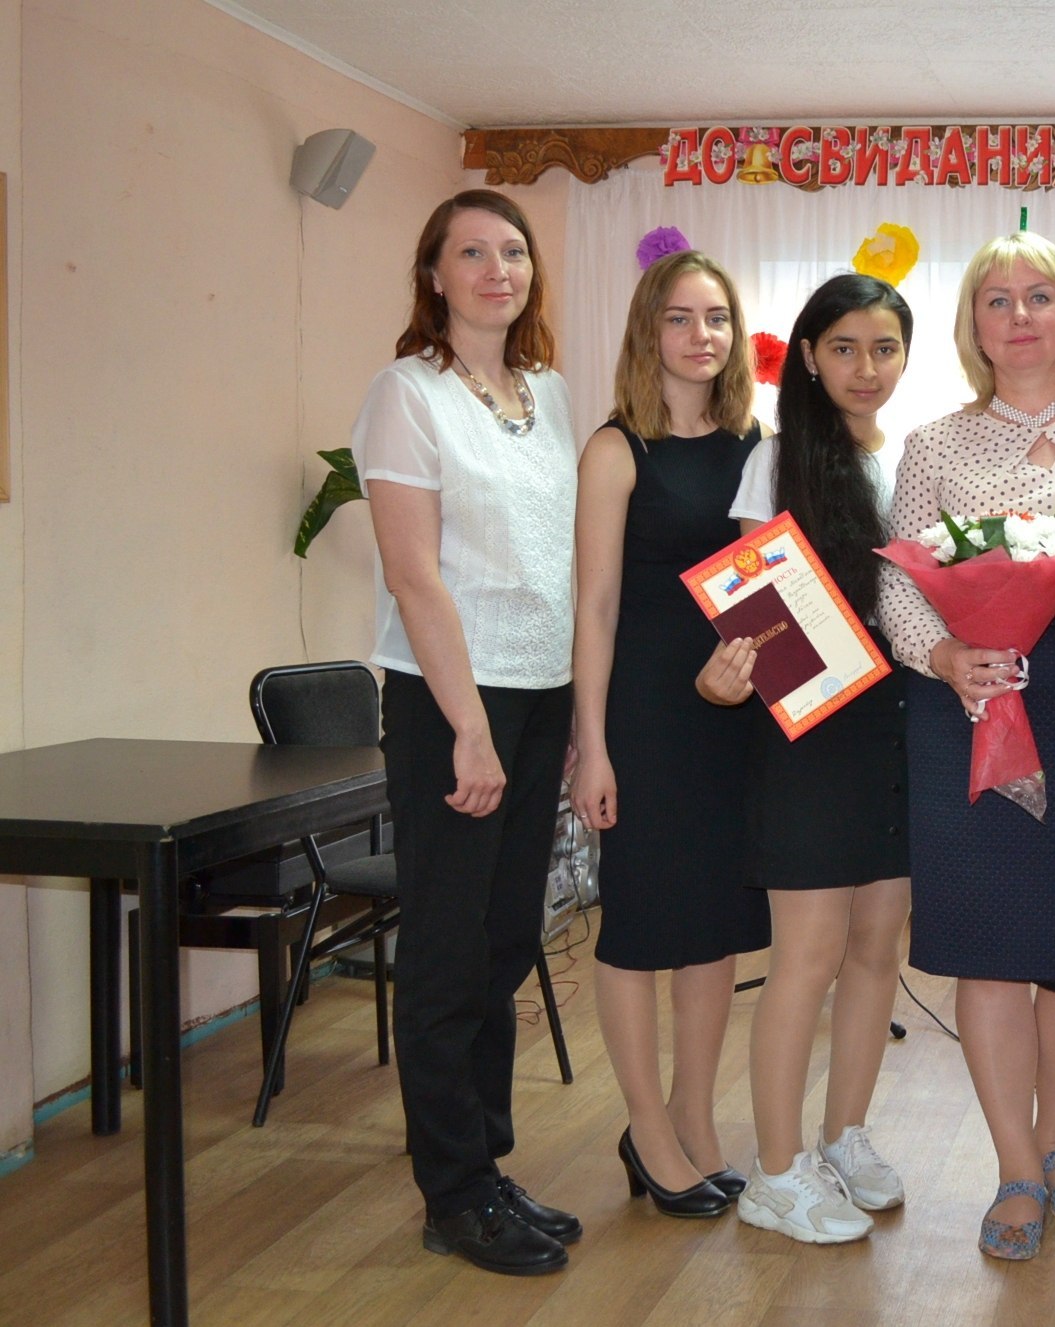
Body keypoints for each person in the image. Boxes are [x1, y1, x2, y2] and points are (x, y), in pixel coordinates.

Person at [878, 231, 1055, 1260]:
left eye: (1040, 295)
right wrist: (946, 656)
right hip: (967, 704)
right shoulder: (934, 443)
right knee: (991, 947)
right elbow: (899, 581)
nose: (1021, 315)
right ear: (973, 326)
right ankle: (1013, 1164)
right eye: (997, 300)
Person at [350, 189, 585, 1275]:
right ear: (434, 275)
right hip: (452, 699)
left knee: (504, 940)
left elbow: (560, 556)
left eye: (514, 252)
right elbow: (414, 574)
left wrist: (570, 717)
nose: (499, 270)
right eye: (473, 253)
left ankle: (486, 1164)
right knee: (447, 953)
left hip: (539, 693)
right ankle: (451, 1193)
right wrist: (469, 729)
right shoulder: (408, 393)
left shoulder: (549, 393)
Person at [697, 273, 916, 1244]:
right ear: (812, 358)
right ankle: (776, 1170)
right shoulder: (778, 460)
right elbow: (755, 605)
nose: (865, 368)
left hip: (900, 719)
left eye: (885, 348)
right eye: (844, 348)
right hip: (809, 727)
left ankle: (844, 1136)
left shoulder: (911, 455)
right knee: (810, 953)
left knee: (877, 945)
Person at [569, 248, 767, 1222]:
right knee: (643, 924)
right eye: (681, 317)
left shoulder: (753, 444)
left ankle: (695, 1114)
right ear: (649, 330)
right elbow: (596, 607)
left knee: (715, 925)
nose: (702, 335)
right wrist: (591, 745)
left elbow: (774, 586)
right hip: (646, 717)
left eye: (717, 317)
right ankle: (646, 1128)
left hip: (733, 713)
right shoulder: (617, 450)